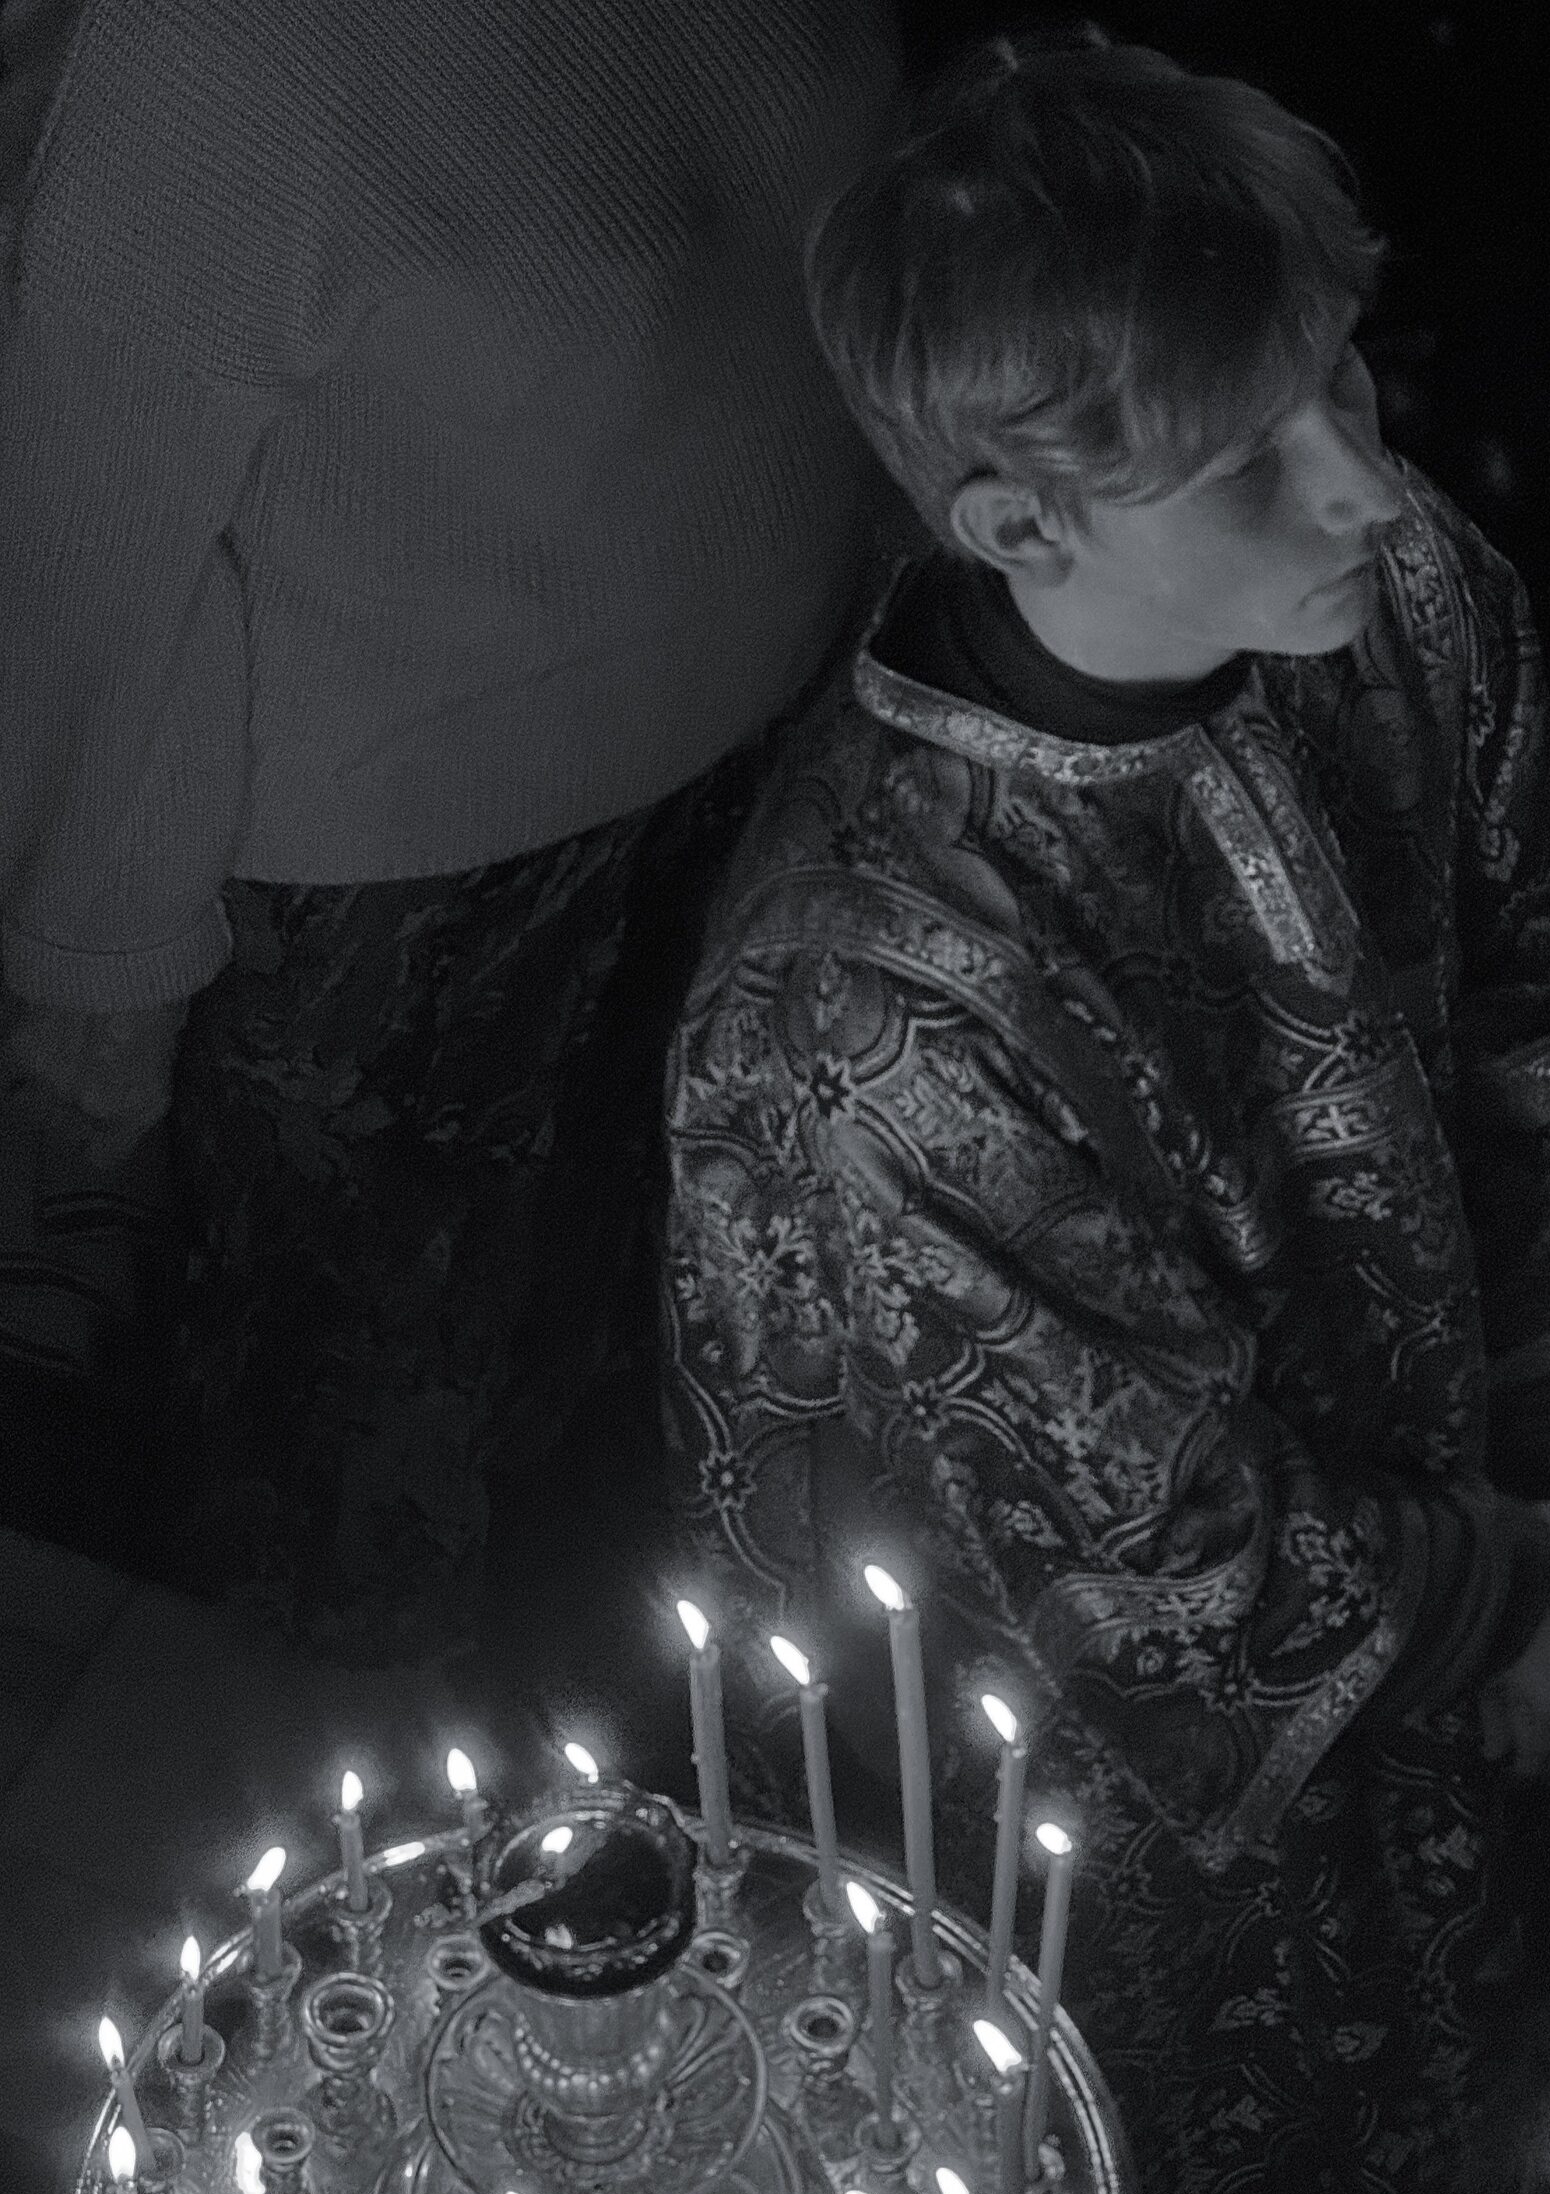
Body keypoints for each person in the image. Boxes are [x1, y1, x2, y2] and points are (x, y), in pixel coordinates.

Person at [660, 25, 1550, 2194]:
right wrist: (1508, 1590)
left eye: (1343, 379)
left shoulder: (1390, 597)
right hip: (1118, 1783)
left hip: (1424, 1581)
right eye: (1254, 451)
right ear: (1013, 517)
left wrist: (1535, 1491)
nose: (1364, 475)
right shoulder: (869, 1009)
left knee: (1462, 2132)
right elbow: (1133, 1539)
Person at [0, 0, 906, 1659]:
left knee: (434, 1463)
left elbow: (89, 535)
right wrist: (97, 967)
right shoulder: (223, 57)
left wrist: (90, 972)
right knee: (422, 1461)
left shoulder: (229, 52)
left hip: (610, 813)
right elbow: (93, 526)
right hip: (539, 818)